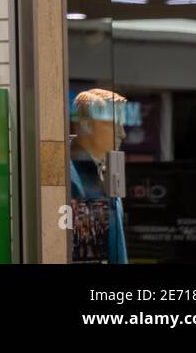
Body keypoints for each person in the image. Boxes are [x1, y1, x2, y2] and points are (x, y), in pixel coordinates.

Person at [69, 87, 128, 264]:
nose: (122, 133)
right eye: (114, 123)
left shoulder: (107, 172)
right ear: (87, 125)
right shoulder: (68, 178)